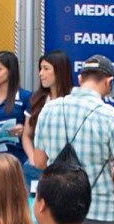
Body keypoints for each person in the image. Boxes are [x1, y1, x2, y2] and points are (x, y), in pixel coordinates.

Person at [29, 55, 114, 224]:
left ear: (80, 79)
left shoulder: (49, 109)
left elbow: (39, 162)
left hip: (58, 209)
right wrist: (112, 174)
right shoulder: (112, 117)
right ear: (109, 82)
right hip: (101, 211)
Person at [19, 49, 74, 178]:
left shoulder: (74, 100)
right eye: (40, 68)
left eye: (46, 69)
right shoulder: (37, 100)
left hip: (66, 166)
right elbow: (27, 135)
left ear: (59, 70)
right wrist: (33, 157)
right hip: (38, 164)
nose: (40, 73)